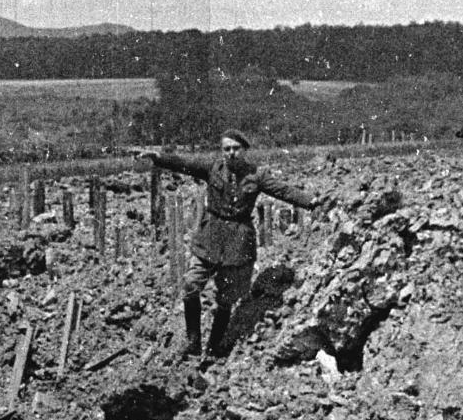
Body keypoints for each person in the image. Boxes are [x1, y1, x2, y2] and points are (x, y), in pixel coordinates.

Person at [138, 130, 326, 358]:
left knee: (226, 300)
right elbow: (183, 163)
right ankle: (193, 341)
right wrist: (158, 157)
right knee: (190, 285)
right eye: (226, 149)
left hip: (238, 242)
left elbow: (282, 190)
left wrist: (311, 202)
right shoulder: (212, 168)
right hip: (210, 238)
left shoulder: (257, 175)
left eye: (235, 148)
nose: (231, 153)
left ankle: (214, 346)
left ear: (244, 150)